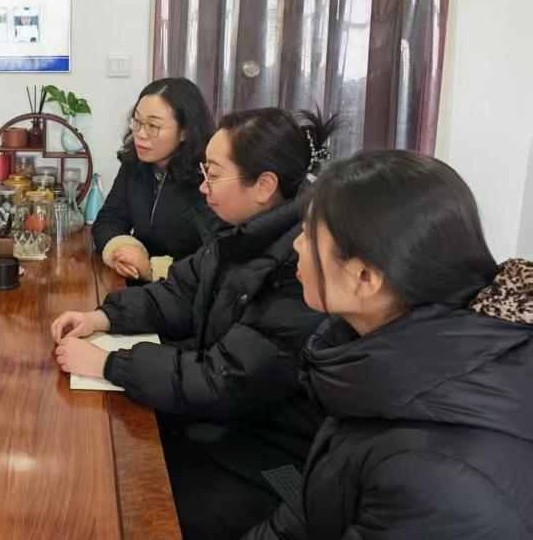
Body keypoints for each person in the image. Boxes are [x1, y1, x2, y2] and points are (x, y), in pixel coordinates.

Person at [52, 107, 338, 540]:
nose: (202, 186)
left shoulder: (299, 267)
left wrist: (109, 365)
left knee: (128, 501)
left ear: (264, 186)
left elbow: (227, 379)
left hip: (272, 458)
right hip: (224, 426)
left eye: (214, 174)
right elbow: (180, 291)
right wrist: (104, 316)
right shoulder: (240, 234)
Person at [246, 151, 533, 540]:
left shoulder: (438, 481)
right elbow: (314, 511)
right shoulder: (373, 355)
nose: (296, 245)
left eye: (309, 234)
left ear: (365, 276)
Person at [92, 78, 219, 284]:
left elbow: (213, 259)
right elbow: (109, 220)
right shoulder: (135, 165)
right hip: (139, 285)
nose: (140, 134)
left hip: (183, 292)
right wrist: (122, 251)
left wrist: (152, 269)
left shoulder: (207, 179)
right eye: (137, 122)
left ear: (184, 131)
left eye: (153, 126)